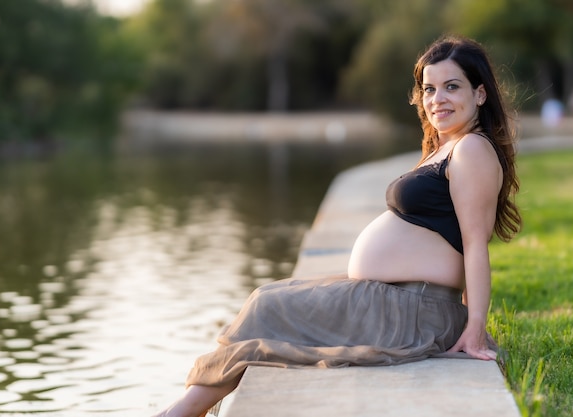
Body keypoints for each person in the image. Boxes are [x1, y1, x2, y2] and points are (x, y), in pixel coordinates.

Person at [152, 34, 522, 417]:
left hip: (408, 312)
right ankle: (182, 412)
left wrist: (474, 327)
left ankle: (177, 414)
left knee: (267, 309)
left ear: (480, 94)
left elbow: (475, 245)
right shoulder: (449, 146)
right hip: (393, 300)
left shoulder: (472, 150)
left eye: (451, 87)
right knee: (267, 302)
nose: (436, 99)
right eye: (429, 89)